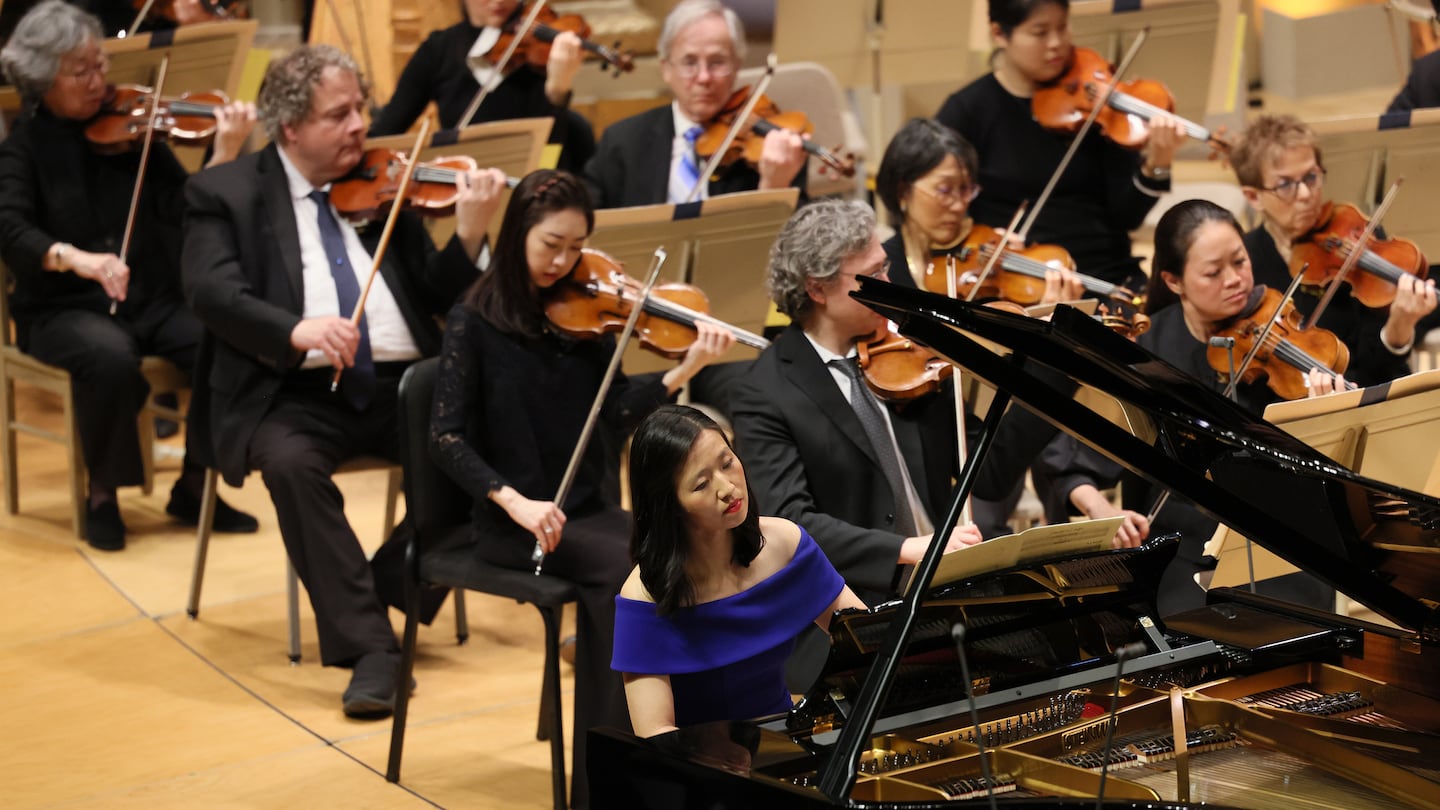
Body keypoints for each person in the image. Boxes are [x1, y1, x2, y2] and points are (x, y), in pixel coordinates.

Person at [181, 44, 507, 719]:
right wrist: (294, 329)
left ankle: (385, 586)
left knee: (492, 452)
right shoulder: (225, 192)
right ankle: (372, 650)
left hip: (401, 385)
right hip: (289, 392)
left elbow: (438, 293)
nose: (362, 124)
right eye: (341, 114)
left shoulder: (385, 184)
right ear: (292, 127)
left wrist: (471, 236)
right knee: (293, 468)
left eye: (360, 106)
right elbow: (210, 292)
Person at [428, 169, 734, 807]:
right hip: (513, 525)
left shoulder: (585, 317)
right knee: (628, 575)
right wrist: (513, 500)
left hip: (589, 510)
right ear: (517, 234)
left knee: (693, 552)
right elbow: (446, 438)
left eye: (576, 247)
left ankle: (704, 750)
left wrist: (685, 369)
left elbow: (618, 411)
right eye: (551, 245)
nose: (564, 262)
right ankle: (615, 782)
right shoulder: (472, 321)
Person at [0, 0, 258, 550]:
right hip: (61, 308)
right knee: (110, 358)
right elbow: (11, 231)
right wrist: (77, 258)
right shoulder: (22, 147)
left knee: (230, 337)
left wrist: (226, 150)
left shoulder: (132, 134)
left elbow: (190, 208)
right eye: (82, 71)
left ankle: (195, 484)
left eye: (101, 65)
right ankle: (104, 494)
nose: (100, 81)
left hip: (150, 298)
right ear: (44, 79)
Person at [729, 199, 983, 691]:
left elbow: (988, 471)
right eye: (869, 274)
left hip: (952, 584)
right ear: (818, 289)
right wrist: (908, 549)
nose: (887, 285)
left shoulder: (910, 360)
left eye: (885, 265)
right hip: (852, 609)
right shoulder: (764, 392)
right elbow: (788, 521)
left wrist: (1041, 381)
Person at [1112, 199, 1341, 615]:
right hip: (1184, 544)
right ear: (1174, 280)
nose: (1235, 280)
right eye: (1213, 273)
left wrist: (1323, 414)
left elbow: (1319, 469)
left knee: (1304, 622)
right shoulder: (1149, 351)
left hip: (1279, 536)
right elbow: (1092, 455)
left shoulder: (1279, 327)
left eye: (1240, 261)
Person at [613, 404, 865, 737]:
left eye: (728, 462)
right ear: (669, 506)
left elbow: (866, 639)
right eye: (701, 484)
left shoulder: (784, 544)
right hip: (700, 767)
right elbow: (655, 732)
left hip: (783, 746)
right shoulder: (645, 596)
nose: (728, 488)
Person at [935, 0, 1184, 294]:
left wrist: (1157, 162)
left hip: (1108, 278)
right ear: (999, 33)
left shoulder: (1094, 101)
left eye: (1062, 27)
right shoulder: (968, 112)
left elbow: (1127, 217)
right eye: (1040, 32)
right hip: (1018, 285)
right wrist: (985, 240)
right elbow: (936, 210)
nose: (1056, 43)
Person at [1229, 114, 1436, 387]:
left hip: (1373, 392)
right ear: (1253, 197)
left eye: (1311, 177)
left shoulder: (1359, 236)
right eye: (1286, 185)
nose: (1305, 194)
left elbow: (1379, 370)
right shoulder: (1245, 265)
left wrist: (1399, 328)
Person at [581, 0, 806, 208]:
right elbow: (588, 227)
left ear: (737, 65)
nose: (704, 77)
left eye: (717, 62)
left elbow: (804, 245)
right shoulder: (623, 142)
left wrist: (774, 188)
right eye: (689, 63)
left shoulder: (774, 150)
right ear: (666, 69)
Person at [368, 0, 596, 172]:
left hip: (533, 185)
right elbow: (386, 131)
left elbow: (552, 150)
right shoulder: (439, 51)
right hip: (463, 181)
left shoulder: (541, 44)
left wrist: (558, 89)